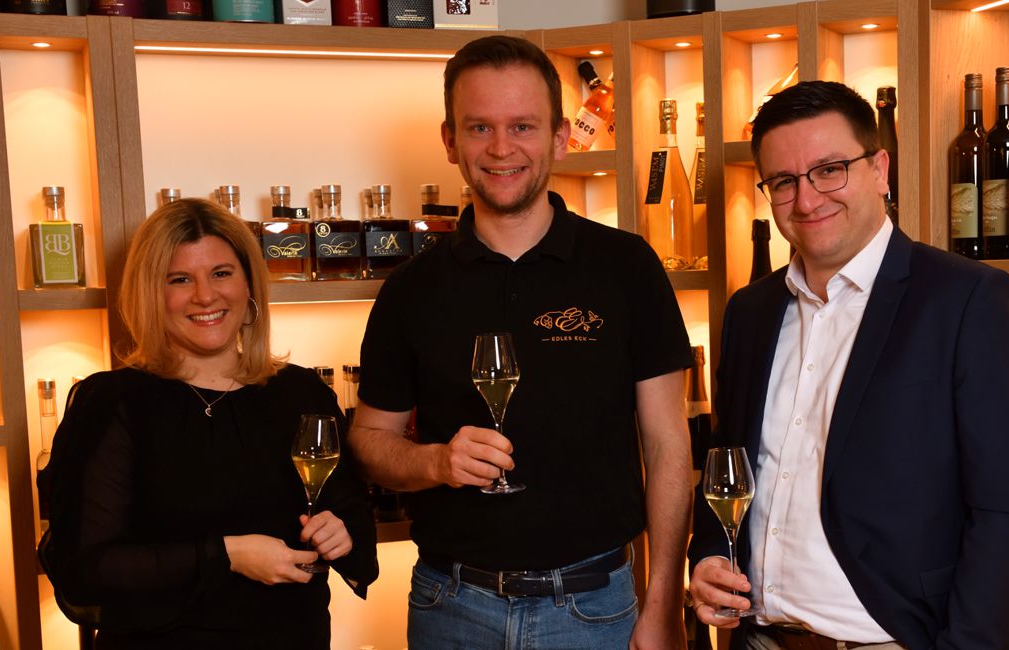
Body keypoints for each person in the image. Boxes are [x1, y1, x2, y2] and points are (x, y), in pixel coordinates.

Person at [349, 35, 694, 649]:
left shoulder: (625, 266)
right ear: (450, 140)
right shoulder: (411, 288)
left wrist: (664, 602)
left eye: (523, 126)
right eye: (479, 127)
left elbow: (668, 445)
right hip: (449, 605)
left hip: (595, 607)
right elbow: (370, 443)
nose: (501, 148)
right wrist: (435, 462)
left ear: (561, 136)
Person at [687, 81, 1009, 649]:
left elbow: (1007, 511)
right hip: (757, 640)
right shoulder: (749, 312)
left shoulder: (968, 299)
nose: (806, 200)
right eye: (783, 182)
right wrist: (709, 554)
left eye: (830, 169)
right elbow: (726, 467)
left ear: (879, 169)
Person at [38, 198, 378, 649]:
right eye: (180, 279)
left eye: (221, 273)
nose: (205, 295)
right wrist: (227, 556)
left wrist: (342, 535)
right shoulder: (113, 404)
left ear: (249, 282)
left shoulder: (301, 394)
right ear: (151, 293)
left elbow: (355, 520)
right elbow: (86, 569)